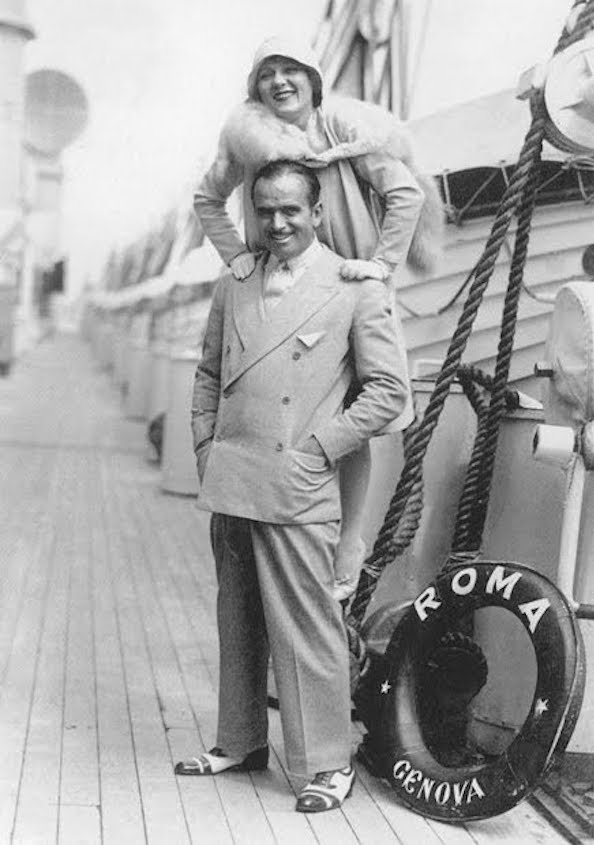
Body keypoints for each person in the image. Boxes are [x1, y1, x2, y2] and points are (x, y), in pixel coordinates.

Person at [175, 160, 408, 812]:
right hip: (233, 479)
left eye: (291, 210)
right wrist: (205, 445)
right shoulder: (235, 282)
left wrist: (320, 448)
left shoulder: (353, 288)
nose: (277, 223)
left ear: (316, 212)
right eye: (266, 210)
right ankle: (240, 740)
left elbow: (389, 392)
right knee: (238, 618)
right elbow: (205, 373)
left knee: (308, 628)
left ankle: (328, 761)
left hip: (297, 483)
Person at [194, 35, 442, 601]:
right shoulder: (249, 138)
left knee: (358, 416)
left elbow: (405, 194)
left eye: (291, 71)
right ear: (254, 86)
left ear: (313, 78)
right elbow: (207, 199)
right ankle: (276, 520)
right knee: (290, 408)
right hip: (283, 286)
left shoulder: (344, 130)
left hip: (347, 287)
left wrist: (379, 266)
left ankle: (347, 545)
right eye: (267, 73)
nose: (279, 82)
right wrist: (237, 257)